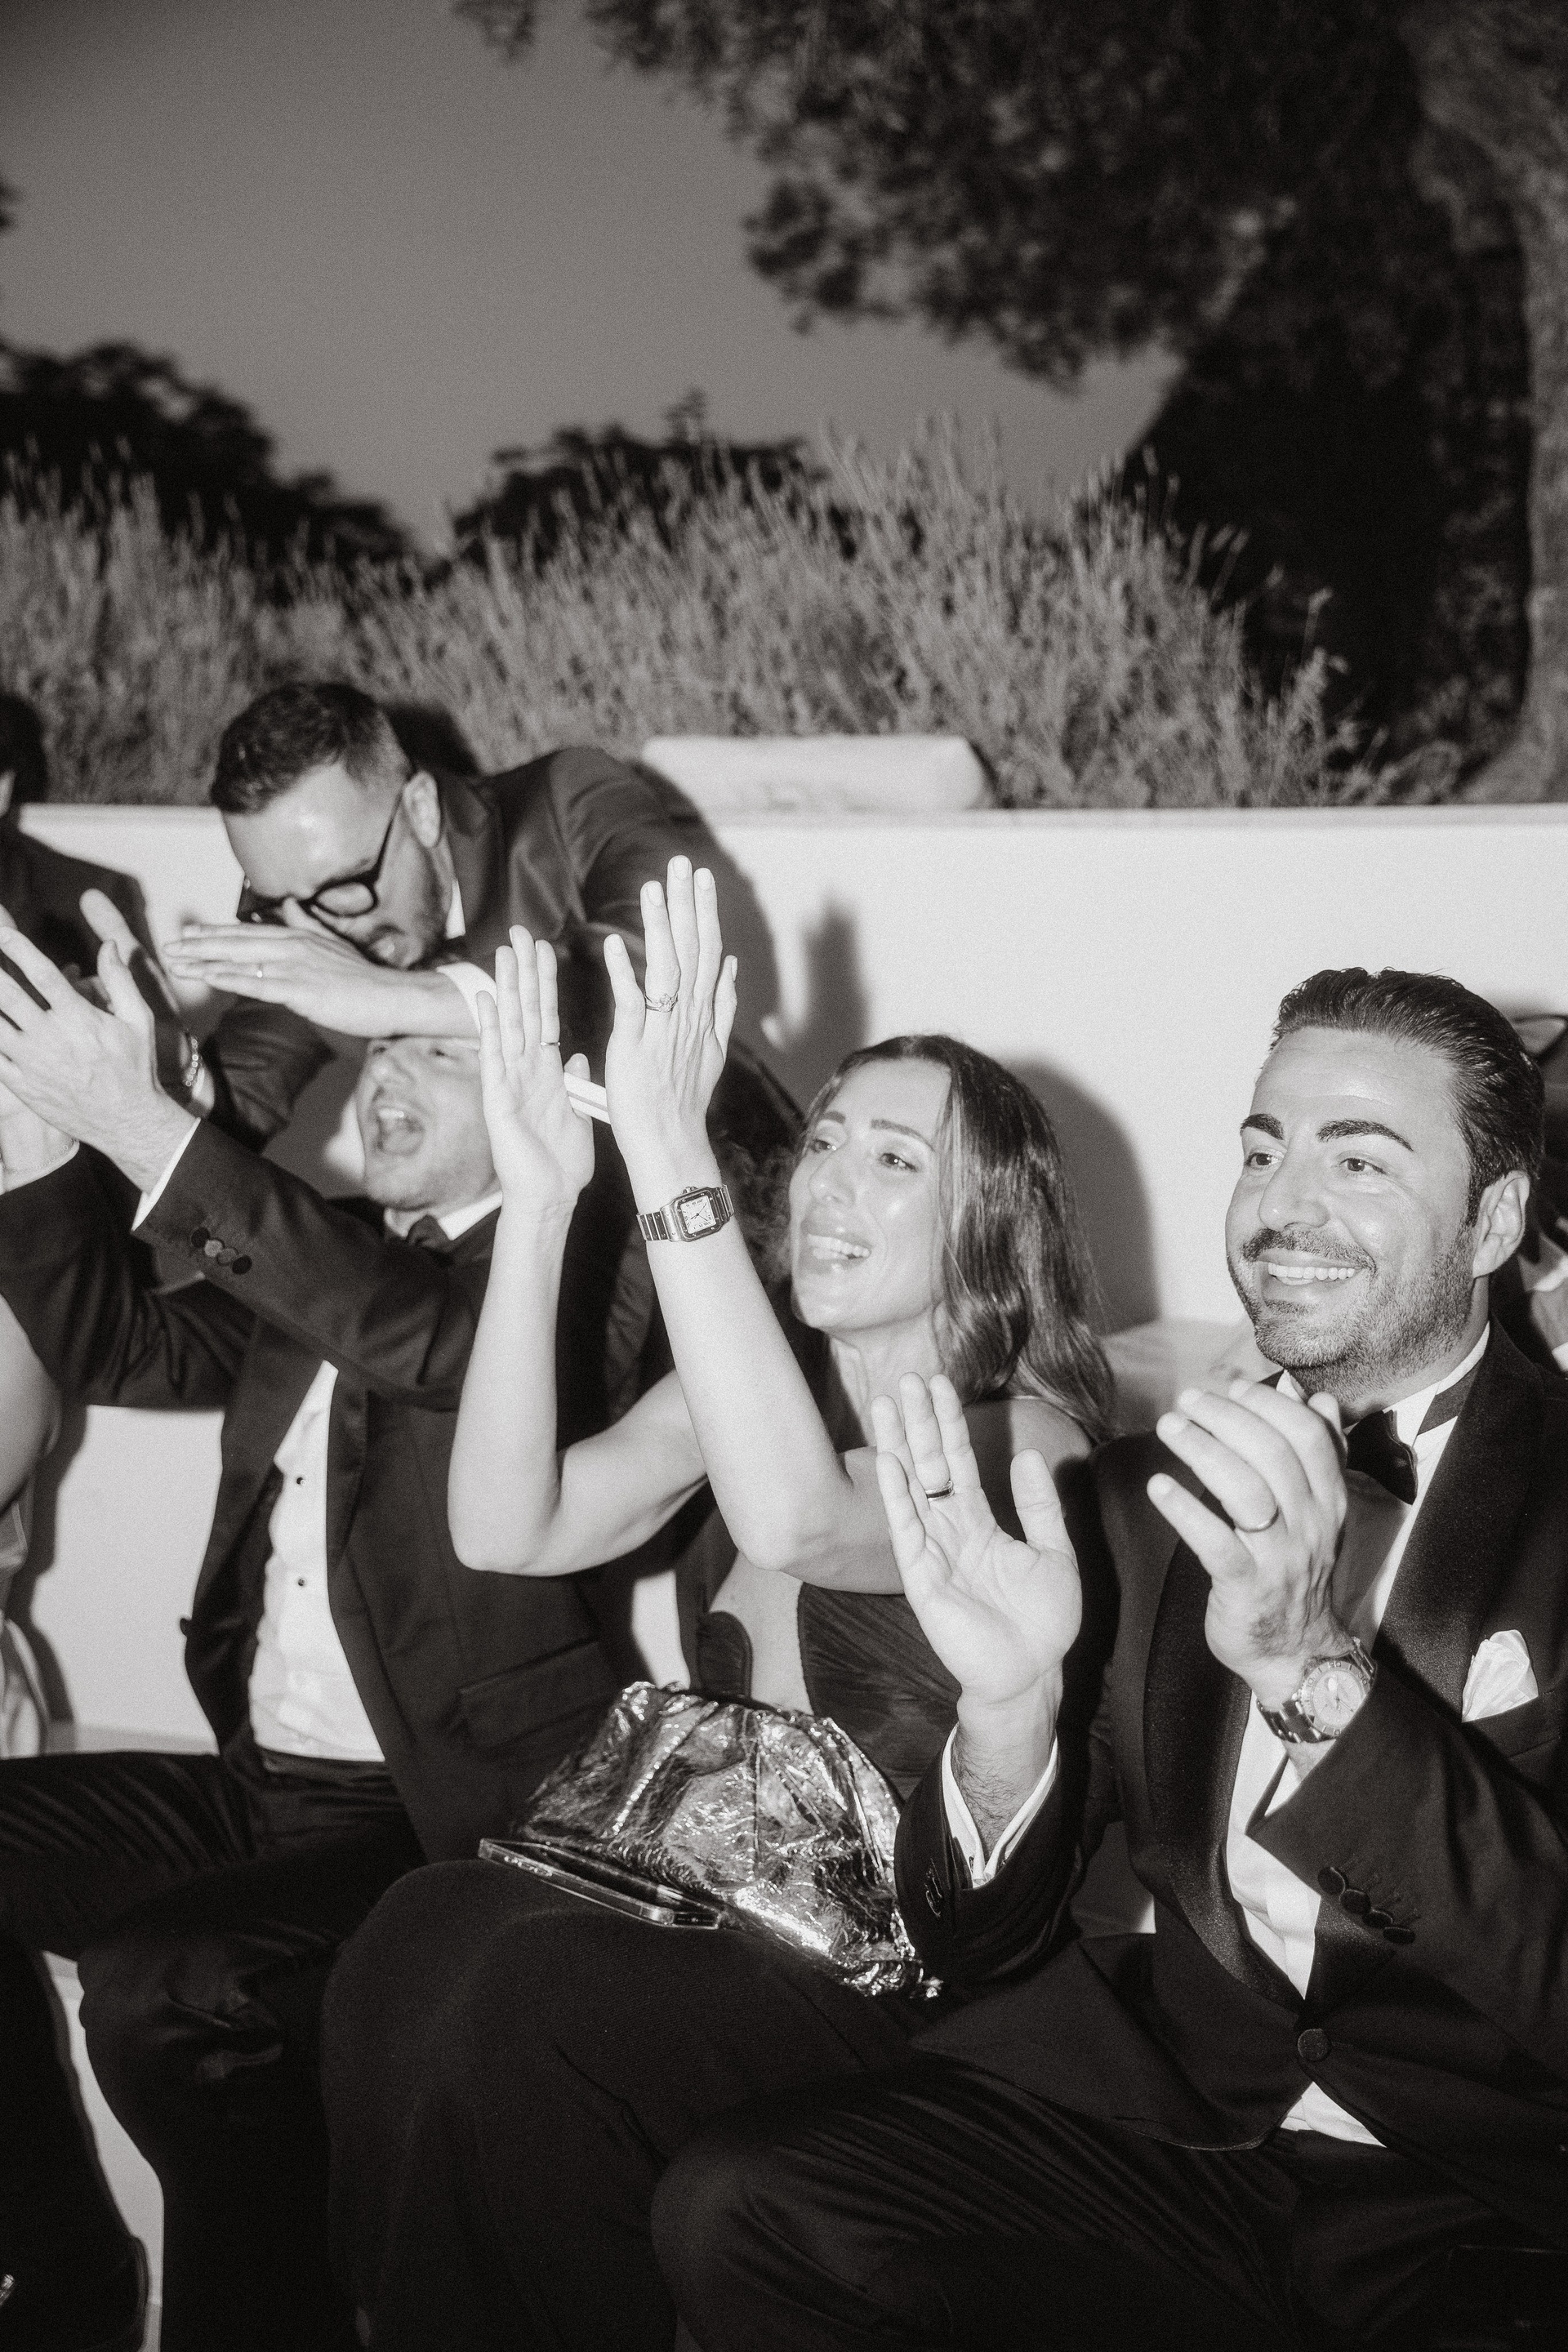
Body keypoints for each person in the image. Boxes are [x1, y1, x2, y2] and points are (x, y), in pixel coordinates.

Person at [644, 966, 1568, 2351]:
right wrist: (1007, 1714)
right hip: (1189, 2134)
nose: (1283, 1204)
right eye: (1262, 1149)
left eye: (1359, 1160)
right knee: (744, 2204)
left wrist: (1317, 1672)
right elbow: (979, 1940)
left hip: (1484, 2198)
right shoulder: (1141, 1503)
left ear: (1494, 1221)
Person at [319, 858, 1116, 2350]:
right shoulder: (754, 1400)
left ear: (992, 1223)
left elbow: (800, 1518)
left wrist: (674, 1151)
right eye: (824, 1141)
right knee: (419, 1931)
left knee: (524, 1995)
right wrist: (545, 1203)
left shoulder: (1028, 1439)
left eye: (894, 1159)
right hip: (669, 1918)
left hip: (882, 1979)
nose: (828, 1183)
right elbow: (507, 1526)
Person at [0, 928, 635, 2352]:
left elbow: (423, 1343)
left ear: (551, 1092)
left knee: (170, 1985)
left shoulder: (590, 1281)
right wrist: (31, 1149)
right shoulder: (333, 1252)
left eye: (440, 1052)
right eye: (384, 1042)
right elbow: (120, 1345)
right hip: (259, 1784)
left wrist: (147, 1125)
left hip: (447, 1817)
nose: (387, 1080)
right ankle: (65, 2274)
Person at [158, 679, 795, 1173]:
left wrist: (394, 999)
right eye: (277, 901)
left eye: (344, 885)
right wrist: (147, 1065)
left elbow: (664, 977)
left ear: (421, 809)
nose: (315, 930)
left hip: (733, 1197)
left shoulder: (566, 799)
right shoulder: (311, 914)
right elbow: (226, 1109)